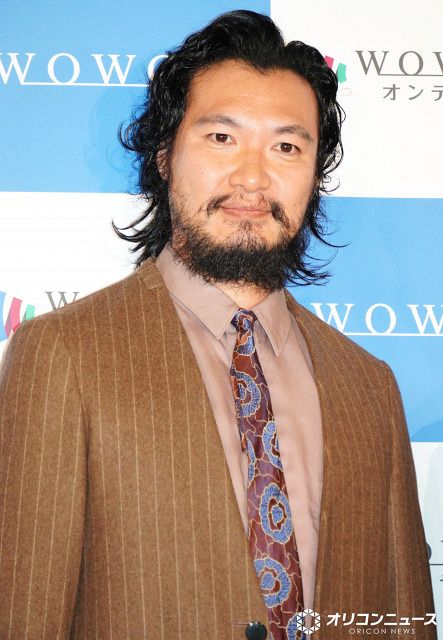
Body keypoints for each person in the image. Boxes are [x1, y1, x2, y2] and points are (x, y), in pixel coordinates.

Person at [0, 10, 436, 640]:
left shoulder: (369, 384)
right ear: (164, 156)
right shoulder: (63, 354)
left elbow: (404, 619)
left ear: (316, 177)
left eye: (287, 147)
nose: (252, 177)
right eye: (222, 137)